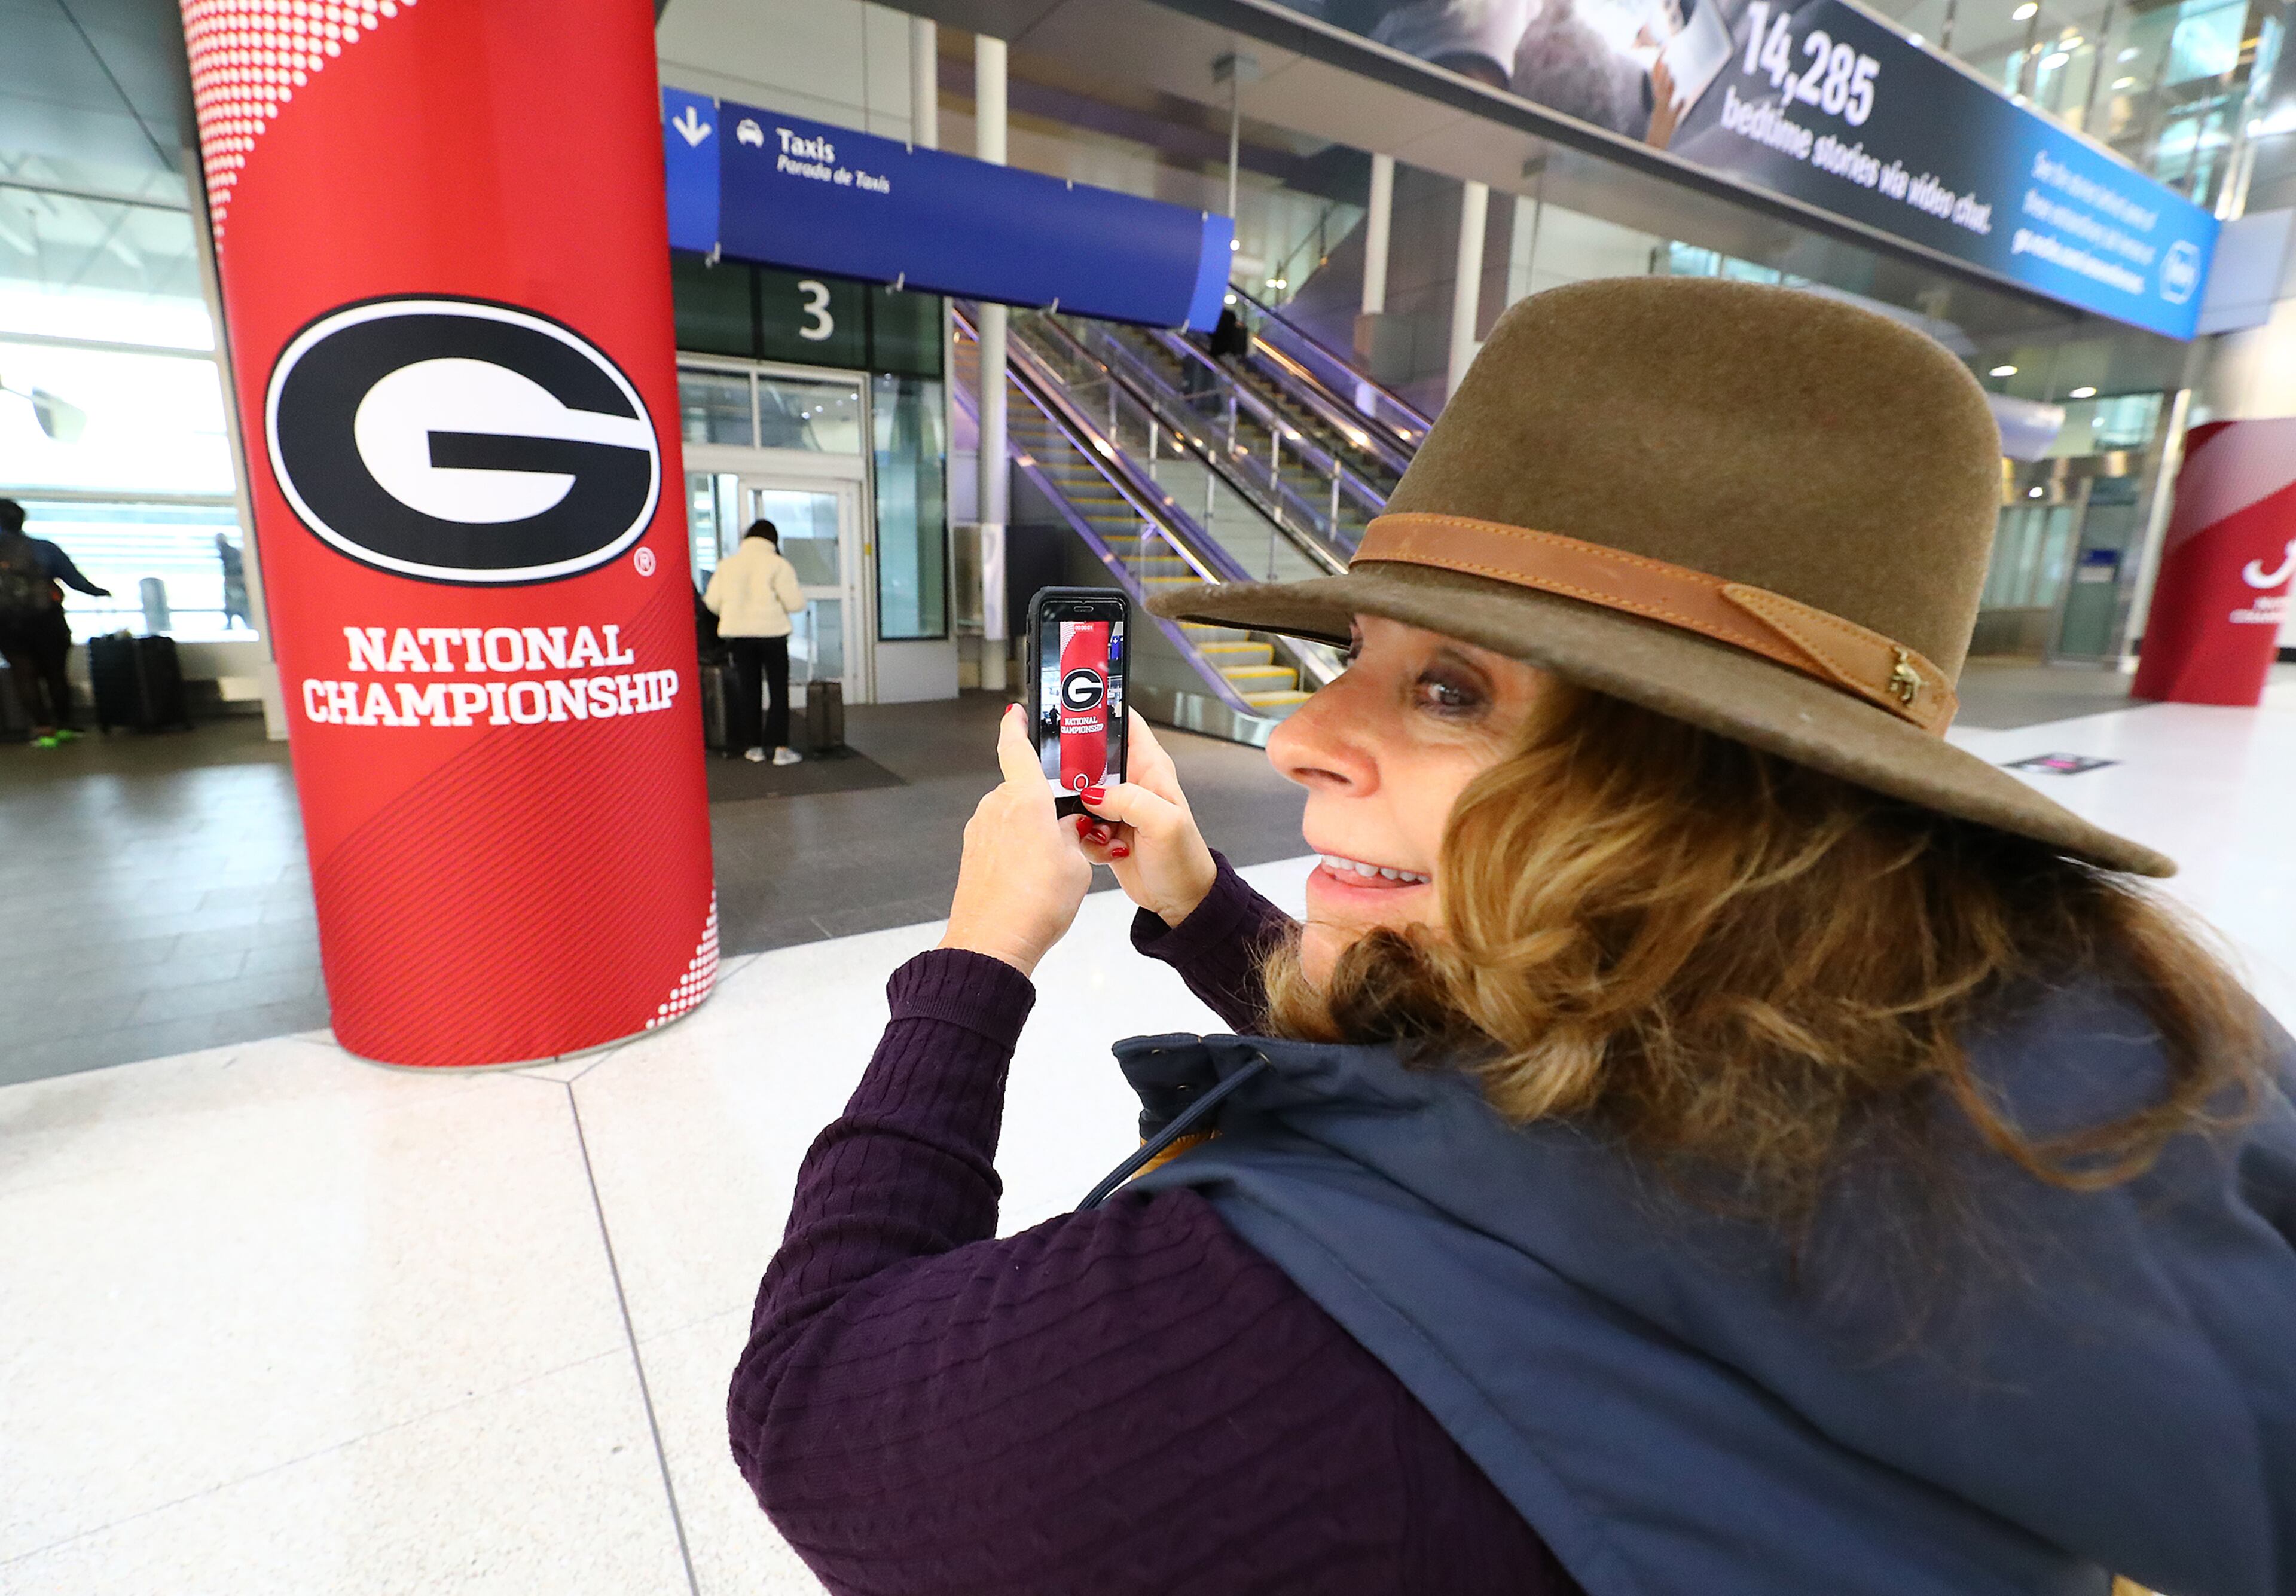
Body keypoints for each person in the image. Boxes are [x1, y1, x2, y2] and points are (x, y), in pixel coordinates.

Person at [726, 279, 2296, 1595]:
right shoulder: (2043, 1079)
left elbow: (813, 1409)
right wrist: (1202, 907)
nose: (1300, 739)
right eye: (1358, 654)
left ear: (1727, 795)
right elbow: (1515, 1114)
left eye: (1451, 688)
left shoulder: (1291, 1328)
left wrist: (977, 958)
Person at [0, 497, 108, 746]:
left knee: (24, 674)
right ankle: (65, 726)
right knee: (56, 674)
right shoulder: (44, 549)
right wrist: (100, 592)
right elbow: (75, 581)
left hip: (6, 623)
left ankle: (44, 730)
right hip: (47, 620)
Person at [703, 518, 808, 765]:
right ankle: (781, 750)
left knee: (749, 691)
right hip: (773, 636)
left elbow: (713, 603)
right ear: (773, 540)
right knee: (778, 691)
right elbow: (795, 603)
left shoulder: (727, 566)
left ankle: (755, 748)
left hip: (740, 637)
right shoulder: (778, 565)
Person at [216, 533, 252, 629]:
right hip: (235, 583)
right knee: (237, 606)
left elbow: (236, 568)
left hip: (234, 583)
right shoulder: (230, 552)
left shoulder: (228, 552)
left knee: (237, 605)